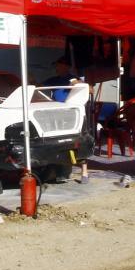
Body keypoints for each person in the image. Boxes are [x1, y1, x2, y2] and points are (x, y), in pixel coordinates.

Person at [40, 56, 90, 184]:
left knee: (78, 141)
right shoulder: (53, 80)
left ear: (66, 66)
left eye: (59, 65)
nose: (56, 68)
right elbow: (39, 86)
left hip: (73, 115)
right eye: (56, 65)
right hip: (57, 115)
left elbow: (90, 90)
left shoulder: (72, 78)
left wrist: (75, 82)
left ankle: (84, 171)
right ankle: (55, 170)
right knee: (58, 143)